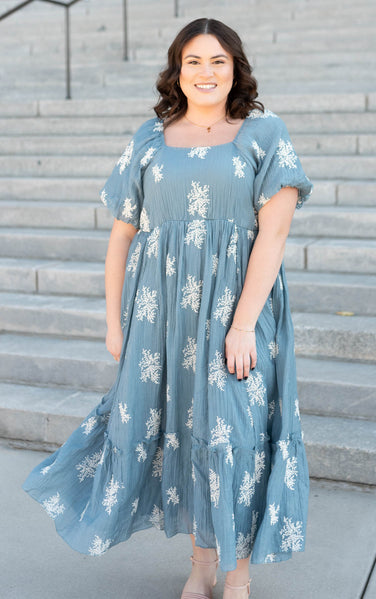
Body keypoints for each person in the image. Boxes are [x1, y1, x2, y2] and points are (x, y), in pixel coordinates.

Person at [22, 17, 313, 599]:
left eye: (218, 62)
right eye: (193, 62)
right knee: (187, 430)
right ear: (177, 72)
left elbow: (273, 236)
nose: (205, 73)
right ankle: (201, 567)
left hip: (241, 314)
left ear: (236, 70)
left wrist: (243, 325)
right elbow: (122, 236)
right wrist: (114, 324)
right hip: (161, 320)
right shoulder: (149, 139)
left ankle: (238, 575)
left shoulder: (265, 134)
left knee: (234, 432)